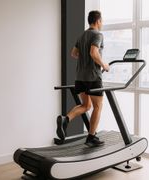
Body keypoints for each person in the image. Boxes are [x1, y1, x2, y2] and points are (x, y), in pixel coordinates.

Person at [56, 10, 109, 147]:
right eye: (101, 21)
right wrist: (104, 64)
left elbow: (74, 53)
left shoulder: (82, 35)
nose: (102, 24)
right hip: (93, 77)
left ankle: (66, 119)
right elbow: (93, 52)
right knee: (98, 106)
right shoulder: (98, 34)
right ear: (98, 21)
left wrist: (85, 58)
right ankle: (91, 137)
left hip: (80, 77)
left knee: (86, 105)